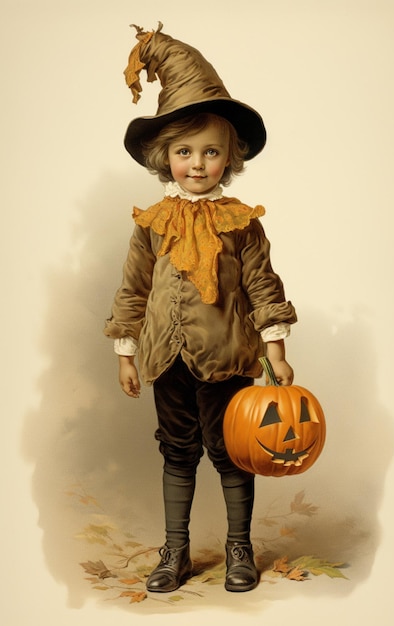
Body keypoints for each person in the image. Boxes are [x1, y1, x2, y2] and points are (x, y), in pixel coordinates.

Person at [104, 24, 297, 594]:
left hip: (230, 359)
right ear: (165, 158)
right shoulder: (152, 224)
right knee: (178, 452)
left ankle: (240, 547)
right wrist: (126, 353)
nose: (196, 163)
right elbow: (133, 289)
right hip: (168, 360)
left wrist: (276, 350)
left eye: (210, 151)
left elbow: (262, 285)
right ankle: (177, 550)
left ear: (229, 158)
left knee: (232, 451)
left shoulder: (242, 221)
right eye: (184, 152)